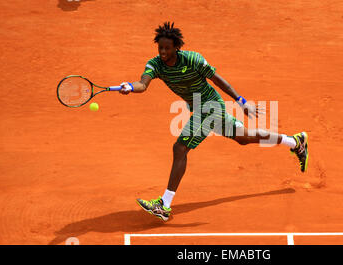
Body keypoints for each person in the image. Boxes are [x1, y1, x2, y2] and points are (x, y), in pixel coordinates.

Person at [118, 22, 308, 221]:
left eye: (167, 48)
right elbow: (143, 84)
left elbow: (217, 79)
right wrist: (130, 86)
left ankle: (164, 204)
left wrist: (240, 101)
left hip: (209, 105)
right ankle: (295, 142)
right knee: (243, 138)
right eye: (160, 48)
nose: (163, 52)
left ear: (176, 47)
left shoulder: (193, 60)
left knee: (180, 148)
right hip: (199, 107)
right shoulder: (155, 64)